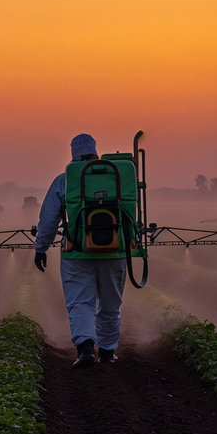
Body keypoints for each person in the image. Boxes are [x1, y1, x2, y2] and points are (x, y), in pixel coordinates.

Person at [33, 133, 127, 368]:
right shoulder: (117, 176)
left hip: (77, 251)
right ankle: (107, 353)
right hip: (115, 251)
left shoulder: (65, 180)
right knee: (110, 304)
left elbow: (48, 220)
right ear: (96, 151)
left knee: (80, 302)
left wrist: (41, 248)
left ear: (73, 153)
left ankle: (85, 350)